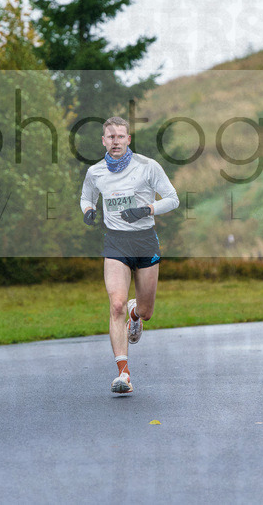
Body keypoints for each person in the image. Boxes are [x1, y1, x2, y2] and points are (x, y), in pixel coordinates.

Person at [80, 116, 179, 394]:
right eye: (110, 137)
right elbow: (86, 197)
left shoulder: (148, 167)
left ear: (128, 139)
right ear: (103, 141)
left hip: (145, 241)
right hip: (116, 244)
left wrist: (147, 209)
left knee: (146, 312)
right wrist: (88, 211)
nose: (115, 141)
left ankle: (135, 315)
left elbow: (173, 198)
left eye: (120, 136)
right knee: (116, 305)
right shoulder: (96, 172)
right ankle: (123, 374)